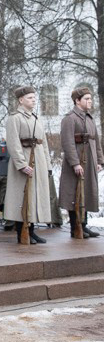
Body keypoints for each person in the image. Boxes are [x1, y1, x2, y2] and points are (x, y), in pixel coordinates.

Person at [4, 86, 51, 244]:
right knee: (21, 197)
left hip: (38, 161)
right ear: (21, 100)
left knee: (34, 197)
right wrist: (22, 164)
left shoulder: (36, 118)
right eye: (30, 97)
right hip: (23, 160)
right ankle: (21, 231)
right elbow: (13, 143)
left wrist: (47, 164)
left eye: (34, 97)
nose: (33, 100)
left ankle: (31, 230)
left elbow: (43, 144)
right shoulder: (15, 118)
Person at [59, 87, 103, 238]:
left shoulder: (90, 118)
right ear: (77, 100)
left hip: (89, 160)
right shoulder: (69, 118)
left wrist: (99, 160)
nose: (90, 101)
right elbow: (67, 142)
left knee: (86, 191)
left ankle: (84, 225)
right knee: (74, 193)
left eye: (91, 99)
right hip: (77, 161)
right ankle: (75, 227)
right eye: (86, 99)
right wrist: (75, 163)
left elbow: (96, 141)